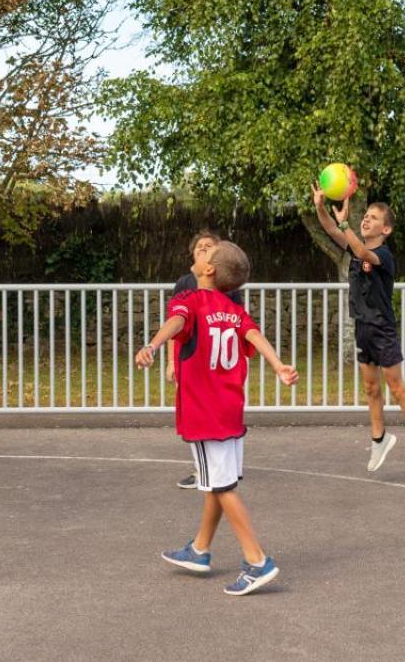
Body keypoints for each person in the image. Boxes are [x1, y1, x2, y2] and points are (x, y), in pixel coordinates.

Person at [135, 240, 297, 596]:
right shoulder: (232, 309)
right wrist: (278, 366)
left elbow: (177, 322)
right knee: (217, 484)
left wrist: (153, 345)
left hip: (204, 413)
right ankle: (199, 549)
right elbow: (255, 335)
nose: (201, 252)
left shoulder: (189, 300)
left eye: (207, 252)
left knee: (222, 487)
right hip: (229, 410)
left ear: (208, 270)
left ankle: (257, 561)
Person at [312, 185, 405, 473]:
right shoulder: (355, 249)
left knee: (396, 387)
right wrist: (320, 207)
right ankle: (379, 439)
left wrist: (346, 224)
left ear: (386, 229)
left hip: (382, 329)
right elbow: (332, 231)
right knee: (370, 388)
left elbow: (363, 251)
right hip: (363, 327)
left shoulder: (383, 255)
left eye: (373, 218)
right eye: (364, 216)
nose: (366, 220)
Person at [171, 230, 239, 489]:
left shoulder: (227, 288)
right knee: (193, 417)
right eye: (199, 246)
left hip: (216, 363)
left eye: (209, 247)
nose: (203, 249)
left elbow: (243, 327)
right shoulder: (184, 285)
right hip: (191, 361)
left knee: (219, 414)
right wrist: (167, 359)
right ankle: (202, 470)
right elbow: (174, 326)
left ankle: (220, 472)